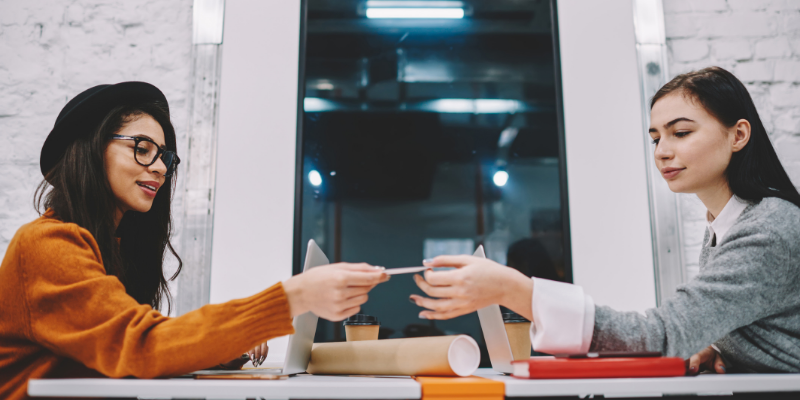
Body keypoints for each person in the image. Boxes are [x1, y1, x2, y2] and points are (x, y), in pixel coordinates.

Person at [0, 82, 387, 399]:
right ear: (90, 149)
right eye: (142, 148)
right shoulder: (47, 244)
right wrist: (291, 298)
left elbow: (123, 353)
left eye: (164, 157)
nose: (159, 167)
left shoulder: (108, 248)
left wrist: (218, 352)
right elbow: (141, 346)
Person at [410, 67, 800, 374]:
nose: (663, 151)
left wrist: (516, 292)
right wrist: (721, 347)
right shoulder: (726, 222)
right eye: (655, 138)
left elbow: (662, 334)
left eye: (681, 132)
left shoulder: (769, 227)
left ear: (739, 135)